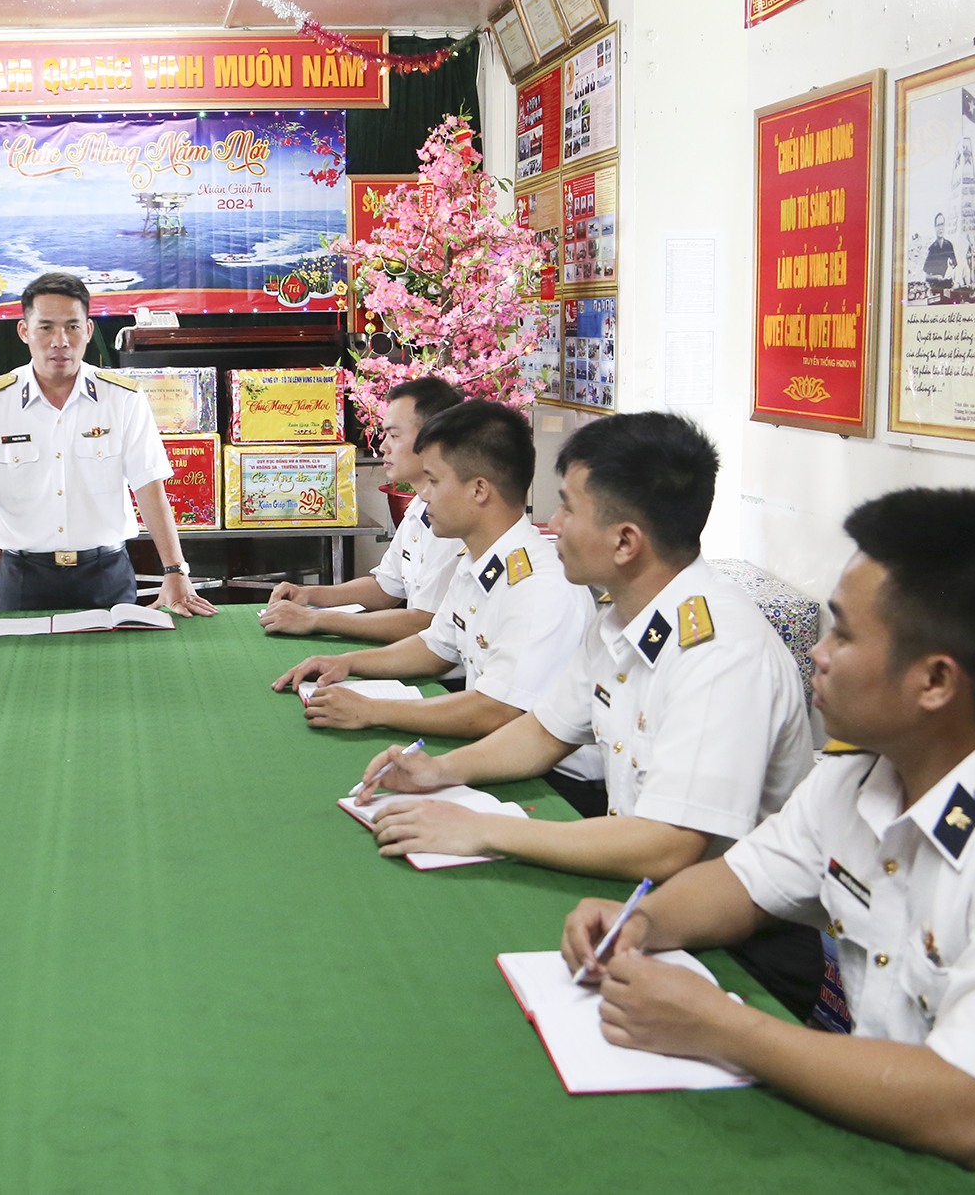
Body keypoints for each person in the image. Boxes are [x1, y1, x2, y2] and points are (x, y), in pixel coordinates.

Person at [558, 489, 975, 1186]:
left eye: (842, 634)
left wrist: (720, 1027)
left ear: (935, 681)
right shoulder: (866, 769)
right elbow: (738, 883)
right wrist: (641, 922)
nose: (817, 653)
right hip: (904, 1135)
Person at [353, 411, 814, 904]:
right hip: (647, 889)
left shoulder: (719, 652)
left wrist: (480, 829)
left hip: (729, 924)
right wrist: (439, 770)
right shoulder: (620, 621)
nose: (553, 525)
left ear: (625, 541)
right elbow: (542, 733)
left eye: (568, 509)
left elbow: (669, 845)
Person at [273, 401, 594, 758]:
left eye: (435, 482)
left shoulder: (538, 586)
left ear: (479, 490)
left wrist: (373, 711)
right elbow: (435, 647)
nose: (423, 495)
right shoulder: (479, 560)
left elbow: (497, 711)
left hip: (556, 779)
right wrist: (347, 663)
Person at [0, 273, 215, 622]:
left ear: (88, 331)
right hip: (23, 578)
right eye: (45, 327)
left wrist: (175, 570)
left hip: (106, 574)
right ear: (24, 331)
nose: (60, 341)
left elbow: (149, 485)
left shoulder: (122, 399)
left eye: (72, 327)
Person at [258, 377, 466, 644]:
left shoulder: (455, 517)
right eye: (384, 435)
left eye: (394, 436)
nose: (383, 446)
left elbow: (424, 622)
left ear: (435, 440)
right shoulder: (420, 506)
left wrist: (314, 619)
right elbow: (384, 589)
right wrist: (307, 594)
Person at [922, 212, 957, 299]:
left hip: (949, 289)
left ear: (944, 226)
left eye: (942, 224)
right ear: (935, 228)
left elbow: (955, 266)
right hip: (936, 292)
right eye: (938, 225)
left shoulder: (949, 245)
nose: (940, 228)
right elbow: (926, 277)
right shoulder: (932, 249)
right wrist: (937, 277)